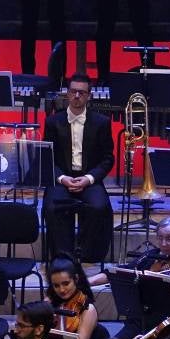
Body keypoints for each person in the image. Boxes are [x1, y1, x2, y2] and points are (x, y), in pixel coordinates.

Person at [43, 72, 114, 263]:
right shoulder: (52, 122)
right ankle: (63, 256)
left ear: (89, 96)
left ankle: (86, 255)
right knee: (52, 207)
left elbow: (108, 158)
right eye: (73, 92)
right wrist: (62, 178)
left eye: (81, 93)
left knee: (99, 207)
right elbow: (46, 157)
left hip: (89, 179)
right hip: (61, 179)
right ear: (67, 93)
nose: (77, 96)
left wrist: (89, 179)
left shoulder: (102, 122)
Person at [47, 256, 106, 339]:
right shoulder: (50, 302)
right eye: (56, 285)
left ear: (76, 279)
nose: (61, 290)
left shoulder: (88, 309)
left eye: (66, 283)